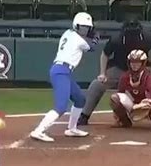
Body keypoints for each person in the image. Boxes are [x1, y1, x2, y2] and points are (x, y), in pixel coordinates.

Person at [78, 19, 151, 126]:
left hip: (144, 69)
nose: (132, 36)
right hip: (120, 68)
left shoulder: (148, 37)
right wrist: (102, 73)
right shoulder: (117, 39)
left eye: (134, 33)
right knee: (97, 84)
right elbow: (105, 54)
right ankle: (84, 115)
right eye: (129, 33)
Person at [29, 12, 99, 143]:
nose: (84, 30)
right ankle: (39, 131)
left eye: (86, 28)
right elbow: (91, 48)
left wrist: (90, 33)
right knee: (61, 107)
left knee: (80, 99)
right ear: (76, 26)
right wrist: (95, 37)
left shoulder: (67, 33)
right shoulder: (79, 40)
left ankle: (72, 128)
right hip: (60, 71)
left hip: (65, 72)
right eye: (82, 27)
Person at [110, 49, 151, 130]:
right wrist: (118, 112)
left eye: (137, 62)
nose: (134, 65)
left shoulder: (147, 77)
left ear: (143, 63)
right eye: (132, 62)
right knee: (115, 98)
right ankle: (123, 121)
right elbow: (120, 93)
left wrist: (148, 106)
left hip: (148, 105)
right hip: (133, 106)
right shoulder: (125, 77)